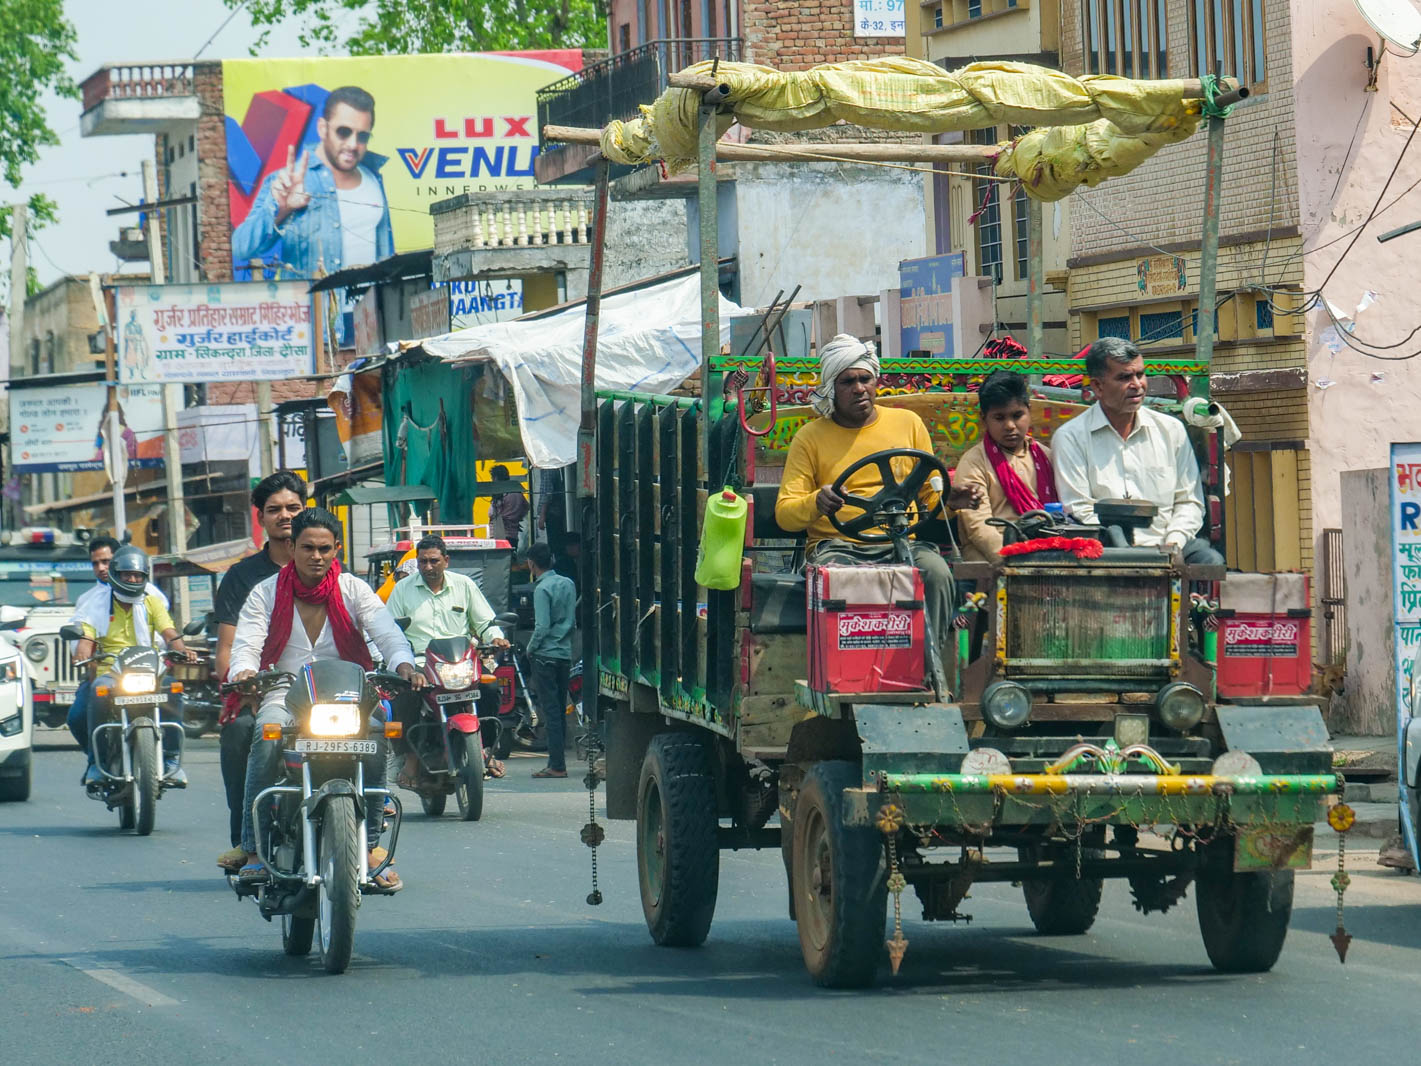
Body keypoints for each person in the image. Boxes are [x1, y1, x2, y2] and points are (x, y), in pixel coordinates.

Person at [229, 508, 418, 890]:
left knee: (379, 731)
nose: (316, 556)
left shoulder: (354, 589)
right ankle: (253, 850)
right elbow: (247, 643)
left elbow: (388, 634)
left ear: (337, 550)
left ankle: (368, 847)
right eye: (308, 548)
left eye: (325, 549)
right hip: (286, 690)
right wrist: (244, 671)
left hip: (348, 692)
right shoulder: (265, 592)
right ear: (291, 547)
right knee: (266, 735)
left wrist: (403, 665)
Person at [774, 335, 983, 679]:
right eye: (848, 382)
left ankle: (928, 673)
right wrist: (817, 502)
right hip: (838, 547)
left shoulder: (907, 424)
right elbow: (785, 513)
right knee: (839, 579)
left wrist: (951, 500)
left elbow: (930, 499)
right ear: (831, 388)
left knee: (937, 573)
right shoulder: (809, 438)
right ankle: (843, 677)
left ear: (876, 381)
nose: (859, 389)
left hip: (902, 543)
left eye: (865, 379)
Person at [1050, 337, 1224, 565]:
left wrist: (1173, 542)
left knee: (1209, 561)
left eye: (1140, 375)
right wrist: (1125, 547)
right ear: (1098, 386)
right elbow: (1080, 509)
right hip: (1106, 550)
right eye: (1124, 377)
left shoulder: (1171, 430)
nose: (1137, 385)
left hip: (1170, 544)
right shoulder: (1070, 437)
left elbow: (1189, 502)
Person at [212, 471, 306, 873]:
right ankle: (244, 837)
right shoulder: (242, 577)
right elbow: (228, 648)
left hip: (322, 688)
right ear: (262, 519)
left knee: (376, 728)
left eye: (293, 507)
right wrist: (242, 683)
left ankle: (368, 824)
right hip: (261, 687)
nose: (285, 516)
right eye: (275, 510)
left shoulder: (332, 569)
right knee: (238, 734)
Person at [231, 86, 393, 278]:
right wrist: (280, 211)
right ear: (322, 128)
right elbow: (240, 248)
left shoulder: (373, 178)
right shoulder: (288, 182)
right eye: (343, 132)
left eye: (362, 136)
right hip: (319, 307)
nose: (352, 144)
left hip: (372, 307)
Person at [386, 534, 509, 781]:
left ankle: (483, 749)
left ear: (446, 561)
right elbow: (390, 630)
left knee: (490, 686)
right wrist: (405, 666)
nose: (428, 567)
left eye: (434, 561)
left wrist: (495, 637)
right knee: (405, 696)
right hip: (419, 663)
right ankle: (409, 758)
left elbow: (485, 621)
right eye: (423, 562)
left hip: (460, 662)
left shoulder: (464, 585)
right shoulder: (402, 590)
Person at [71, 546, 196, 787]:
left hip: (148, 671)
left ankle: (171, 759)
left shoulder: (152, 602)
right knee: (96, 694)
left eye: (137, 575)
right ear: (117, 574)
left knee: (174, 689)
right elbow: (86, 637)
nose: (132, 579)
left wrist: (184, 650)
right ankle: (97, 762)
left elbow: (169, 632)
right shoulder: (94, 604)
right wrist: (83, 654)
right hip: (110, 672)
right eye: (127, 574)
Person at [953, 370, 1060, 561]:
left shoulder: (1046, 456)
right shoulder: (974, 462)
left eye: (1017, 415)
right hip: (991, 556)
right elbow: (979, 528)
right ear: (983, 418)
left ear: (1029, 411)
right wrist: (1013, 559)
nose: (1010, 425)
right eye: (999, 418)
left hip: (1044, 547)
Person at [524, 542, 576, 780]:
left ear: (531, 564)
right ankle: (558, 760)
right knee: (559, 710)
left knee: (551, 711)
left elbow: (542, 626)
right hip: (564, 654)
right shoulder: (568, 584)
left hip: (545, 655)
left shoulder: (541, 589)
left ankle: (556, 765)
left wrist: (530, 648)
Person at [489, 465, 529, 546]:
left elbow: (492, 513)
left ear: (496, 478)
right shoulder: (518, 493)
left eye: (492, 478)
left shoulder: (501, 494)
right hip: (514, 534)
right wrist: (516, 517)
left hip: (500, 534)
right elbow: (527, 507)